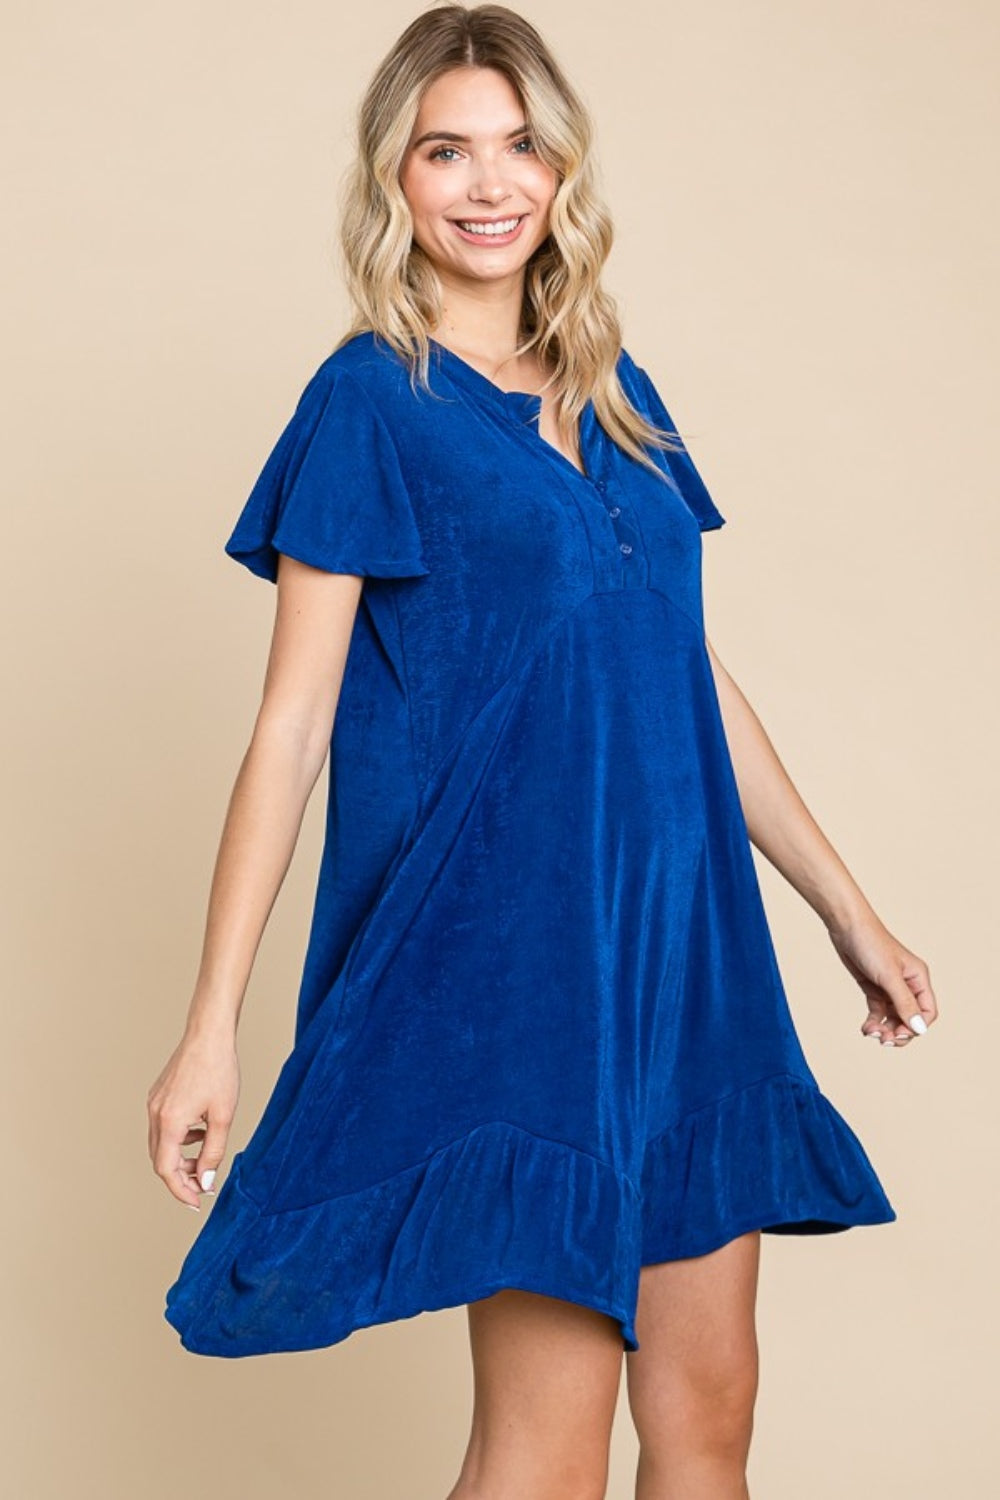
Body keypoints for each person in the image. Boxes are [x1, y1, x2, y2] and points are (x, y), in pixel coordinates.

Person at [147, 5, 938, 1496]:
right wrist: (212, 1021)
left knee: (709, 1424)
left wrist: (850, 913)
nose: (488, 182)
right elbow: (293, 722)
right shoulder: (370, 403)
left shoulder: (619, 395)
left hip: (690, 963)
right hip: (520, 975)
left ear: (565, 169)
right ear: (394, 181)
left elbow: (679, 669)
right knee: (547, 1452)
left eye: (518, 145)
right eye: (445, 150)